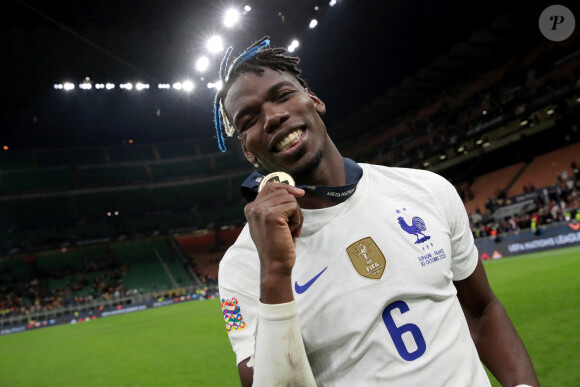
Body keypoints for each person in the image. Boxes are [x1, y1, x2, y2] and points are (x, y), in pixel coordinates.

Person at [216, 37, 539, 386]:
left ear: (314, 99)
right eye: (249, 119)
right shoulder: (243, 265)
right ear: (248, 152)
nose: (273, 117)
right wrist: (276, 272)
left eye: (282, 96)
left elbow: (482, 309)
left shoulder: (427, 190)